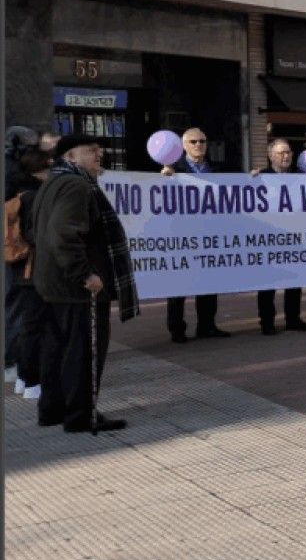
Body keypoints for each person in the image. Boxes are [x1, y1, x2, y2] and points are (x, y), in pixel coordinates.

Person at [30, 135, 139, 433]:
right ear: (71, 157)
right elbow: (64, 234)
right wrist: (85, 274)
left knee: (57, 350)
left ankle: (53, 410)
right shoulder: (77, 186)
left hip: (53, 283)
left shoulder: (53, 182)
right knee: (83, 352)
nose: (98, 155)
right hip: (76, 287)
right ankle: (81, 415)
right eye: (91, 151)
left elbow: (37, 230)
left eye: (99, 150)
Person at [160, 127, 229, 341]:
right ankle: (177, 329)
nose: (198, 145)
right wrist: (163, 179)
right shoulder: (172, 169)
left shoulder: (216, 170)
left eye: (202, 141)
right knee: (179, 284)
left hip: (209, 234)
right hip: (182, 235)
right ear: (183, 146)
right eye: (193, 142)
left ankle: (207, 325)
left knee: (209, 282)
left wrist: (253, 177)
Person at [248, 139, 306, 335]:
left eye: (288, 152)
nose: (285, 156)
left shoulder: (300, 178)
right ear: (270, 156)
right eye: (280, 153)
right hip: (269, 237)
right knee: (268, 282)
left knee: (294, 280)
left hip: (294, 236)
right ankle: (267, 322)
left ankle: (293, 319)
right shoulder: (261, 177)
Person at [5, 148, 52, 398]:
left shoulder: (18, 194)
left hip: (20, 268)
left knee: (29, 325)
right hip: (33, 269)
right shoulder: (35, 197)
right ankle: (32, 381)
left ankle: (24, 379)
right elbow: (36, 235)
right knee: (36, 327)